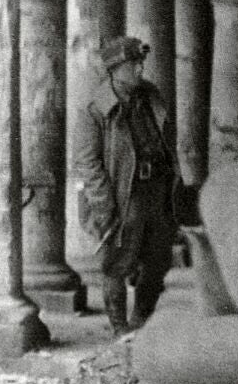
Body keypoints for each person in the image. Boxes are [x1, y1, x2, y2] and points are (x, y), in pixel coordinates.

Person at [74, 36, 181, 336]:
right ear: (116, 69)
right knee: (117, 264)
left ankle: (140, 321)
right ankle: (120, 330)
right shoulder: (95, 108)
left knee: (158, 260)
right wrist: (104, 206)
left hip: (156, 190)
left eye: (140, 63)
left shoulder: (150, 96)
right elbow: (87, 163)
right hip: (125, 195)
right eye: (134, 64)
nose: (140, 69)